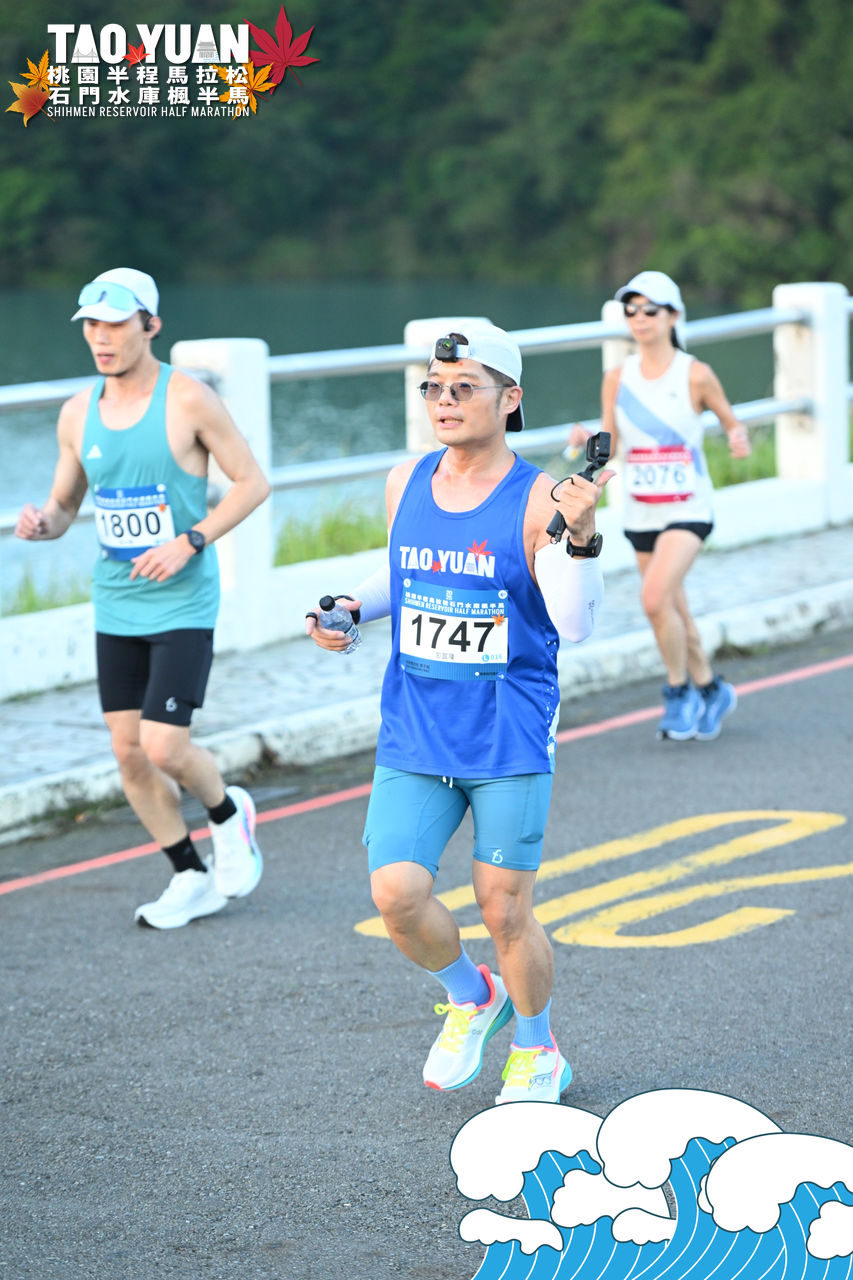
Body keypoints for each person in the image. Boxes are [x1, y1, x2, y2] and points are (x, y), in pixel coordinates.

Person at [307, 324, 610, 1103]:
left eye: (463, 387)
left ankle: (538, 1049)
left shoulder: (539, 498)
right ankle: (473, 996)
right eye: (433, 388)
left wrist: (580, 539)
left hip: (507, 731)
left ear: (509, 400)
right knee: (395, 894)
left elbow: (573, 624)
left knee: (503, 909)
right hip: (415, 725)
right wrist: (350, 607)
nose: (444, 401)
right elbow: (404, 570)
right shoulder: (403, 480)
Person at [15, 267, 271, 928]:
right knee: (128, 753)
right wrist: (43, 523)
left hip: (183, 601)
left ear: (150, 326)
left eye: (115, 325)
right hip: (117, 601)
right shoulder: (78, 413)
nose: (101, 338)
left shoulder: (188, 400)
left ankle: (228, 815)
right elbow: (66, 505)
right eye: (91, 326)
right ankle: (189, 874)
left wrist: (191, 540)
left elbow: (251, 483)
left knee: (163, 746)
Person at [569, 270, 750, 741]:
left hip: (688, 508)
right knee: (673, 609)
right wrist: (587, 440)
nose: (640, 318)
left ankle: (678, 693)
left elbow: (731, 421)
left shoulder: (695, 374)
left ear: (673, 315)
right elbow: (611, 444)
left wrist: (737, 437)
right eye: (631, 310)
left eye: (650, 309)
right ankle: (711, 689)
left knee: (653, 600)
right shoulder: (617, 377)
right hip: (641, 510)